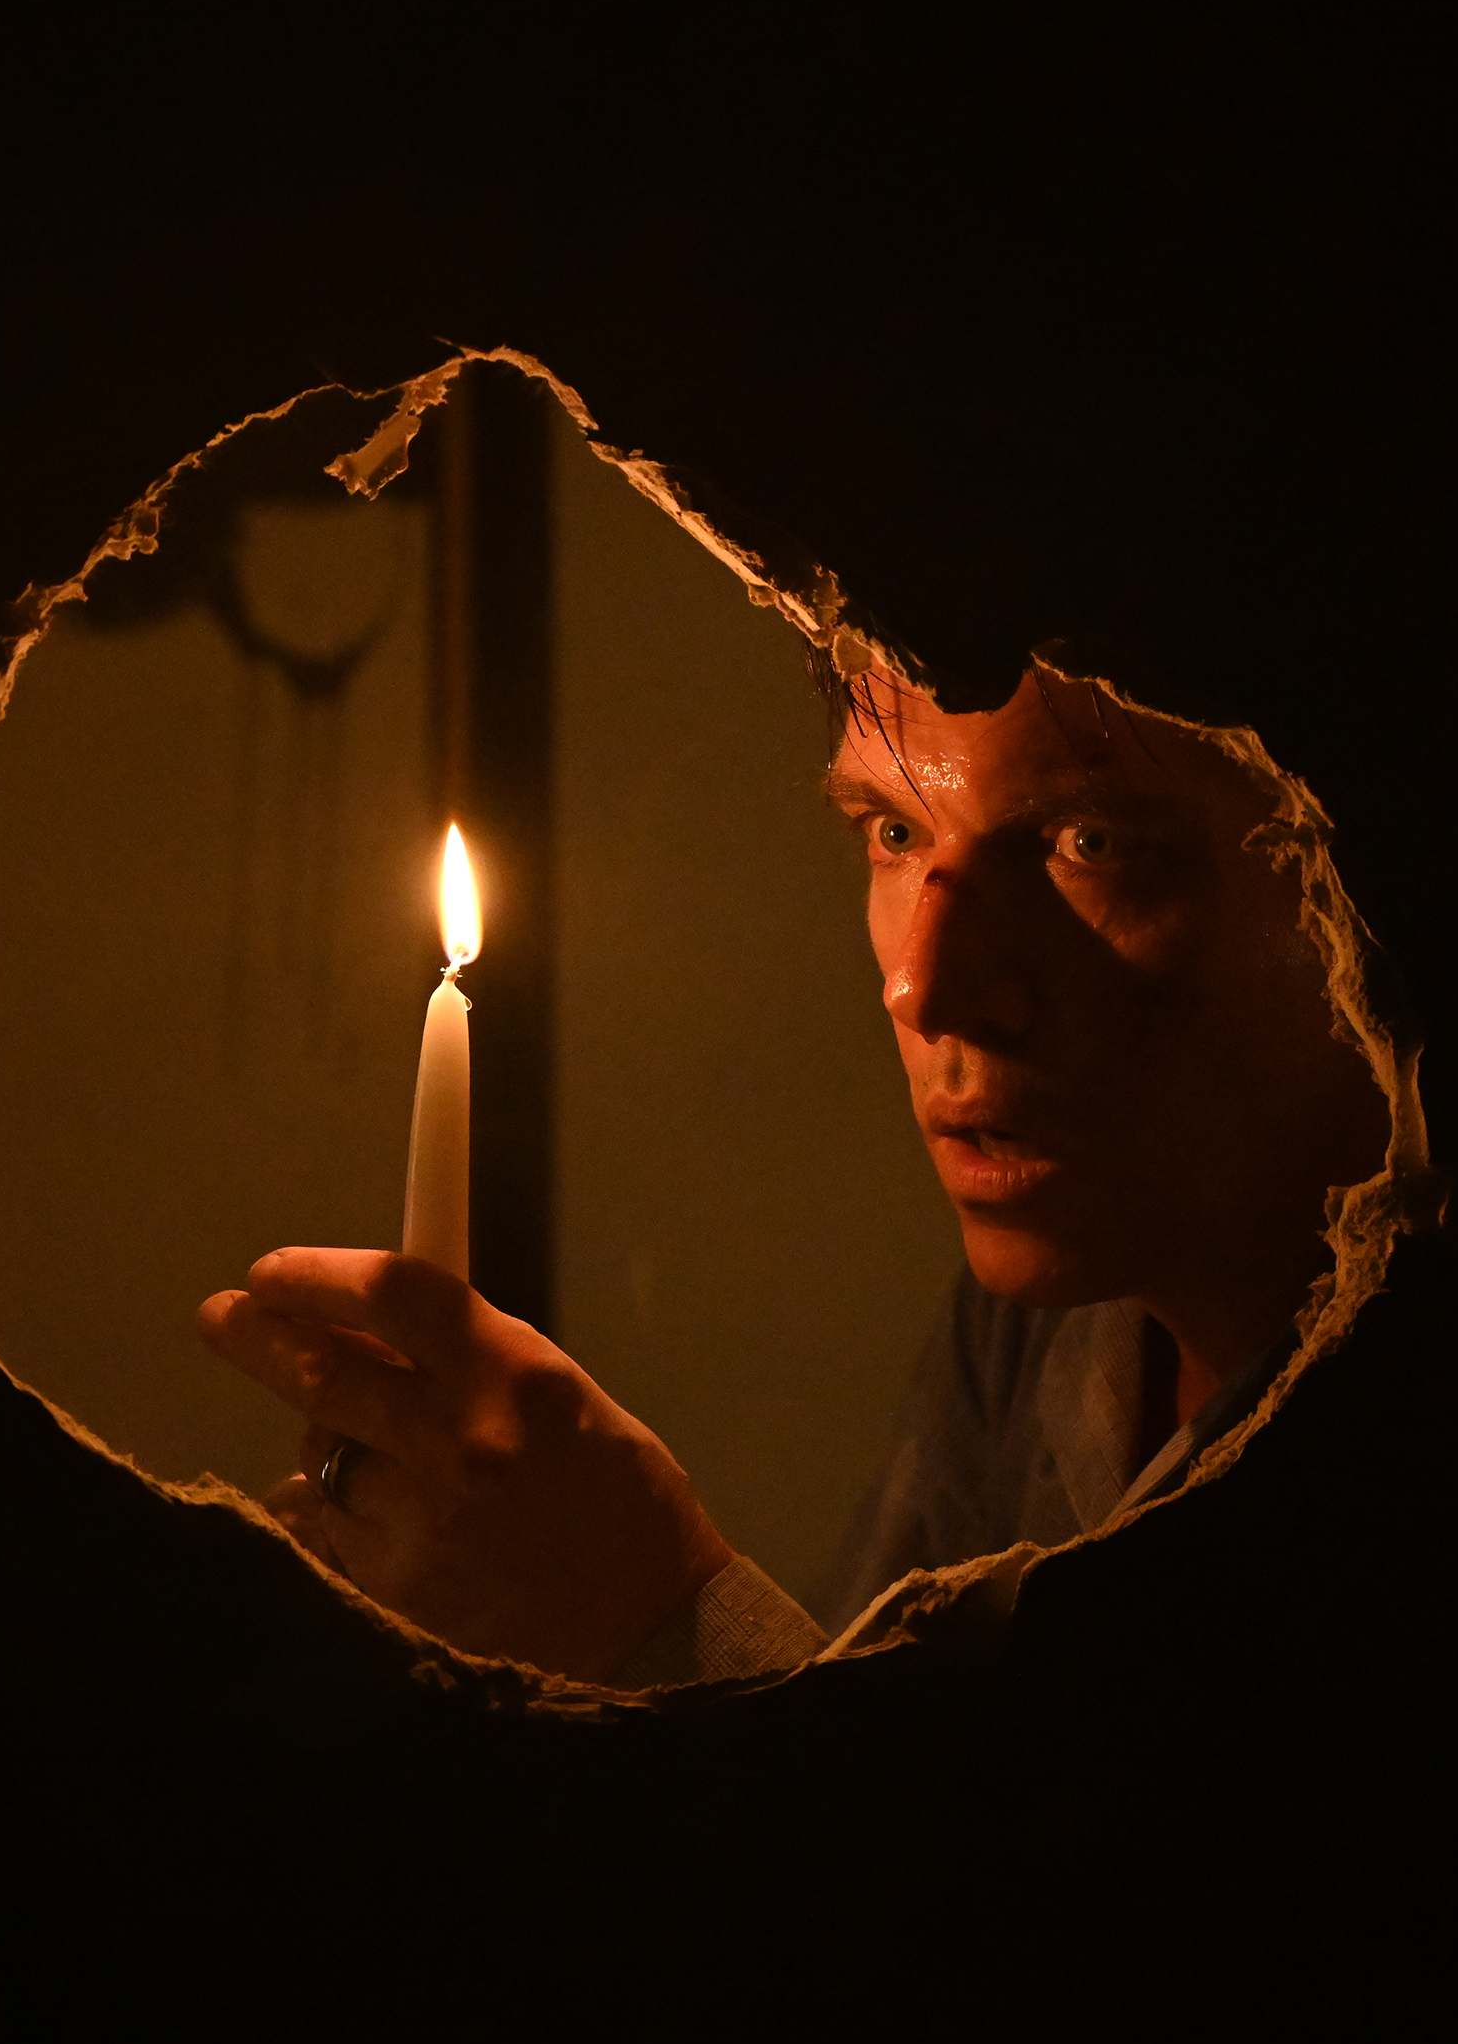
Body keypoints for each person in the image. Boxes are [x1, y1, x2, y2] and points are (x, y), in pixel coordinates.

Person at [195, 661, 1392, 1686]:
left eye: (1092, 842)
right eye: (893, 832)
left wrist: (639, 1609)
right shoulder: (1045, 1325)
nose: (925, 984)